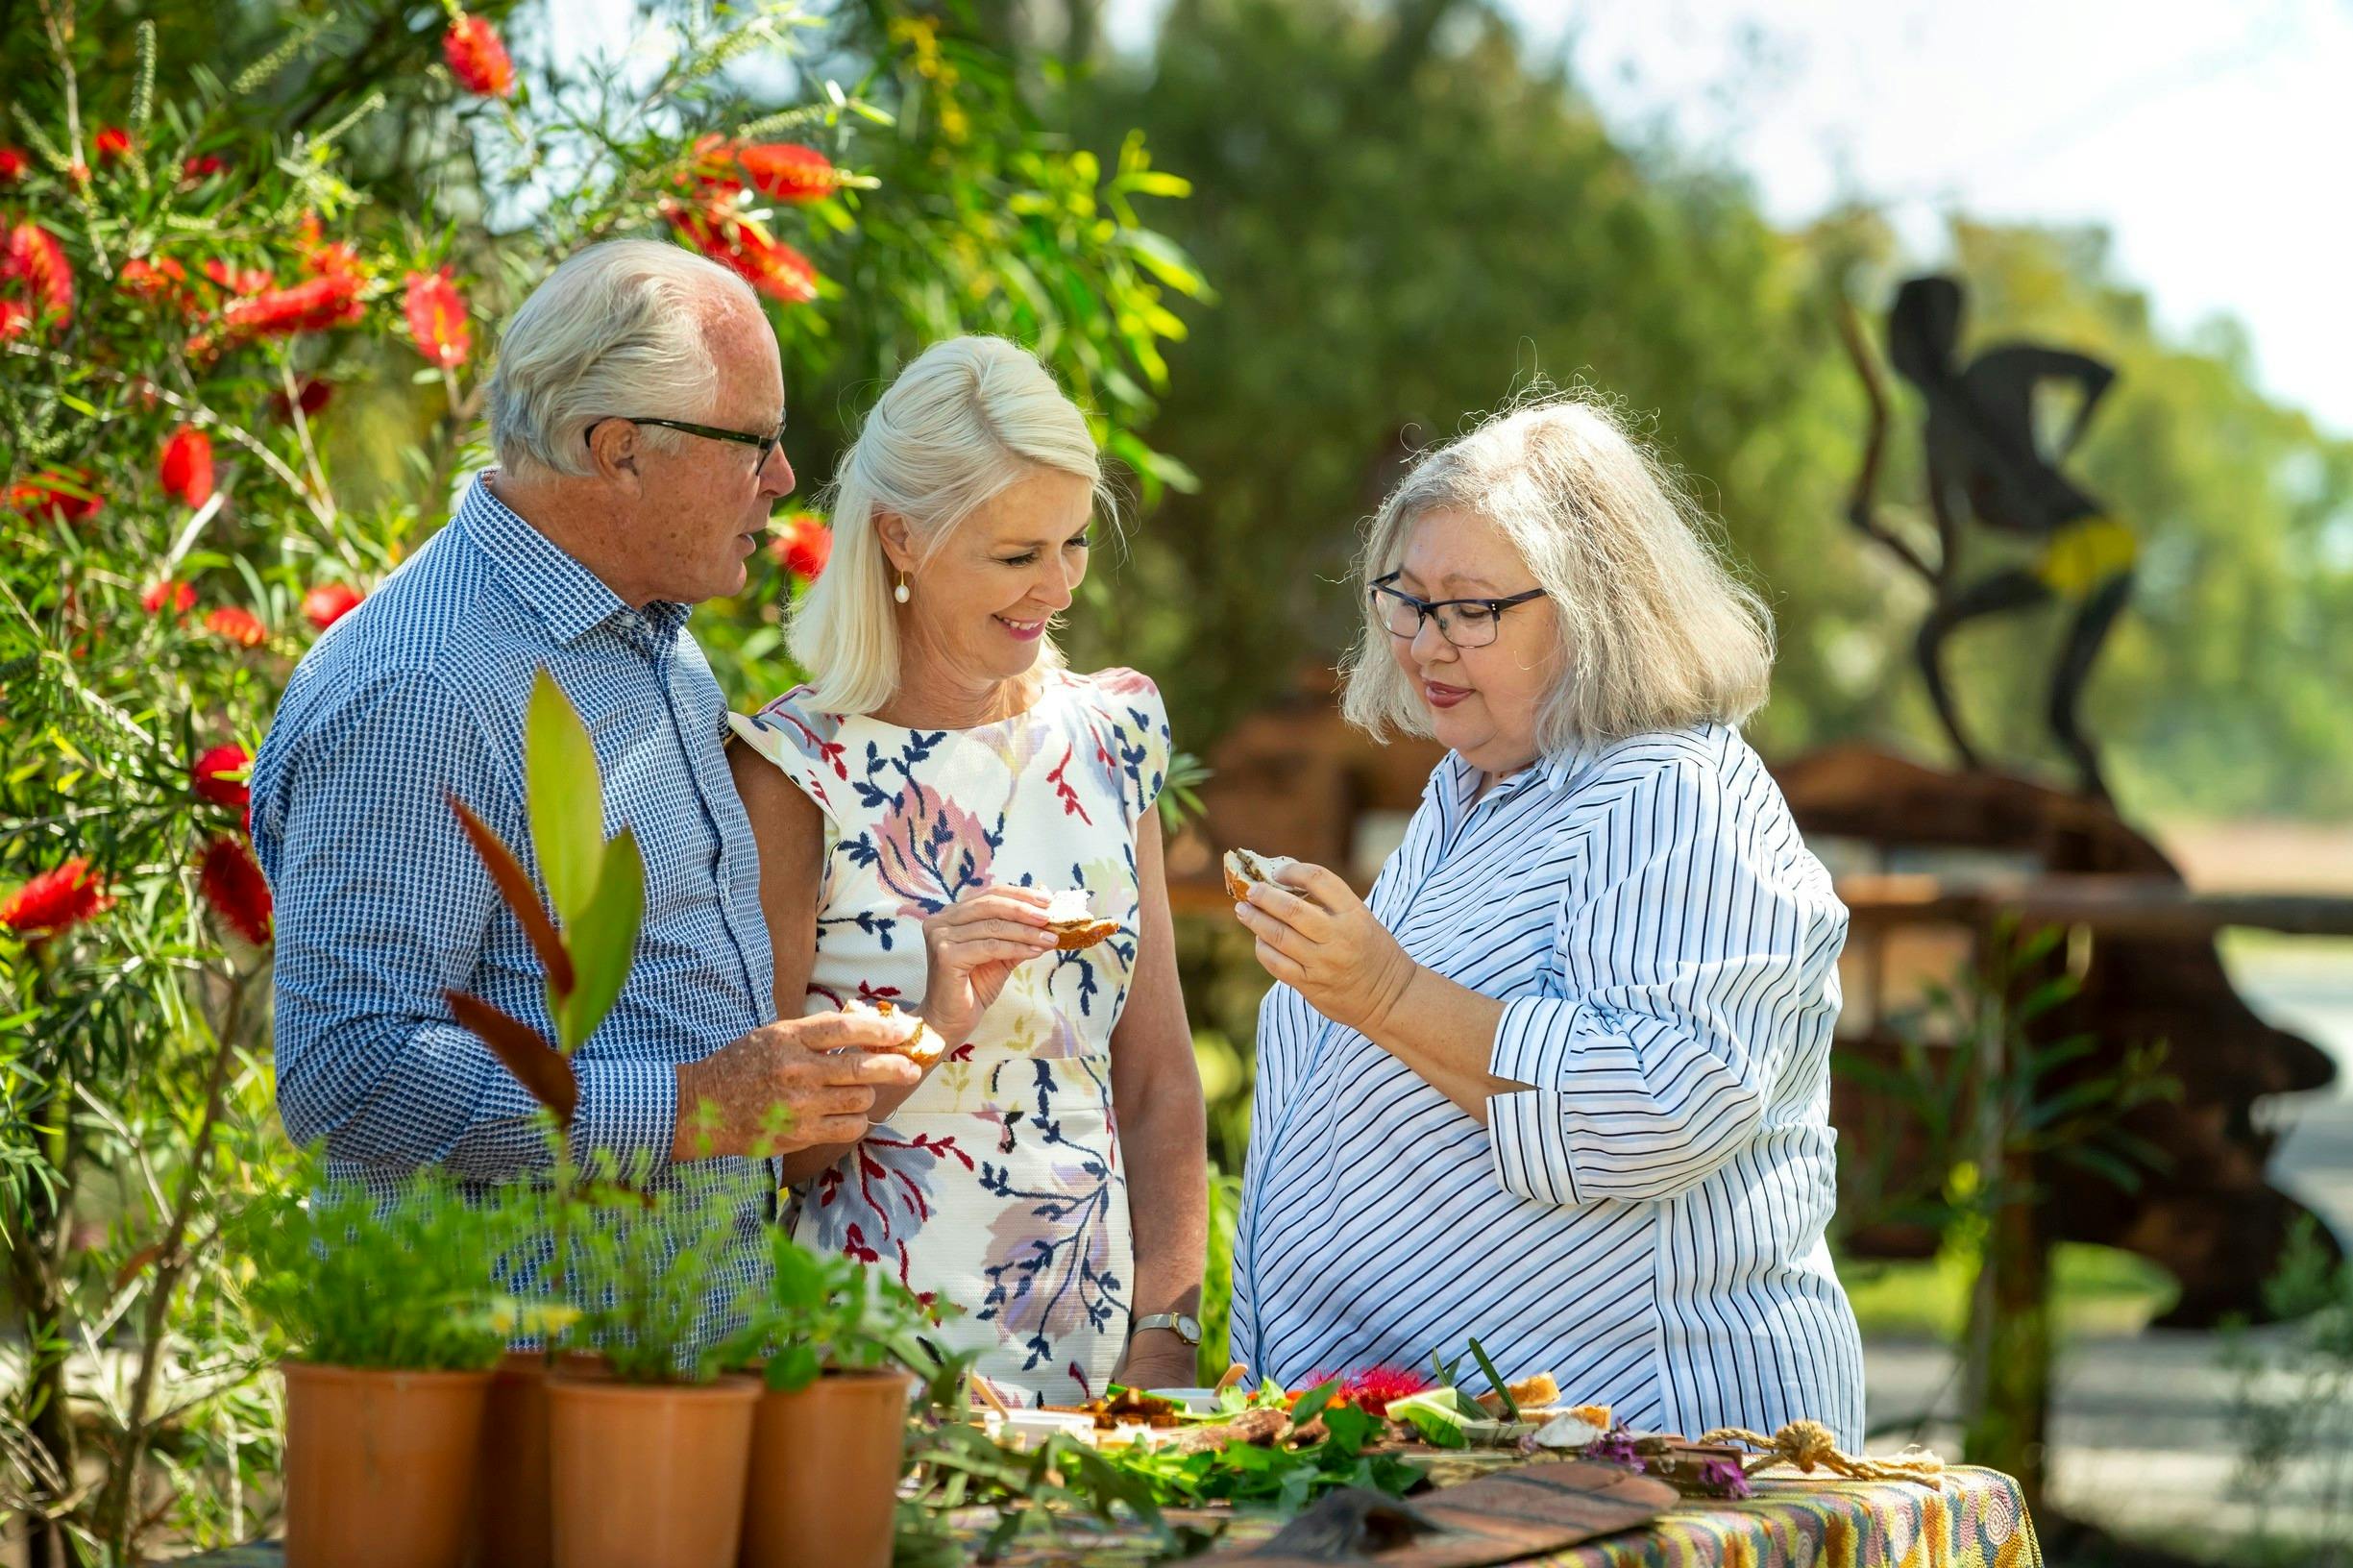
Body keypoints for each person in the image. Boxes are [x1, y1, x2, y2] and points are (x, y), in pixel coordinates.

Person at [253, 239, 921, 1312]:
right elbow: (352, 1074)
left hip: (666, 1366)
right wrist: (690, 1108)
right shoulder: (426, 685)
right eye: (755, 443)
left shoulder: (651, 636)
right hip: (512, 1399)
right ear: (618, 452)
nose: (784, 480)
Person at [1229, 395, 1866, 1443]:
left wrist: (1382, 991)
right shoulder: (1469, 792)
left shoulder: (1672, 789)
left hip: (1655, 1444)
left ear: (1595, 606)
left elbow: (1669, 1102)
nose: (1425, 641)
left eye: (1470, 607)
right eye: (1406, 599)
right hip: (1466, 1448)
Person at [726, 335, 1208, 1403]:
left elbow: (1160, 1075)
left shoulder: (1115, 734)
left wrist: (1168, 1333)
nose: (1058, 587)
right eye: (1015, 554)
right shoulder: (796, 767)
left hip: (1100, 1359)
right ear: (900, 536)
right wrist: (931, 1026)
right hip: (865, 1361)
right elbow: (762, 1157)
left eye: (1073, 542)